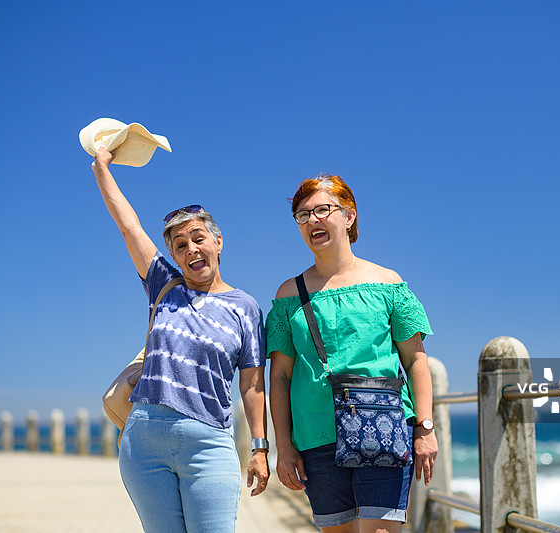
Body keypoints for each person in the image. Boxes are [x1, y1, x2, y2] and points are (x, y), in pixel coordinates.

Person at [91, 146, 269, 533]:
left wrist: (259, 447)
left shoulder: (245, 307)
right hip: (144, 441)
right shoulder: (163, 286)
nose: (191, 249)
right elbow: (129, 226)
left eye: (198, 238)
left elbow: (253, 383)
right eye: (180, 245)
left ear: (218, 242)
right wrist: (102, 167)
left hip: (210, 443)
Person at [267, 174, 438, 533]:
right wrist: (283, 446)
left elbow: (415, 359)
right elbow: (280, 376)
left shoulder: (388, 283)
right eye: (302, 214)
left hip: (384, 427)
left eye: (323, 209)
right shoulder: (288, 295)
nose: (313, 220)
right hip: (316, 439)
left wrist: (424, 428)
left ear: (349, 216)